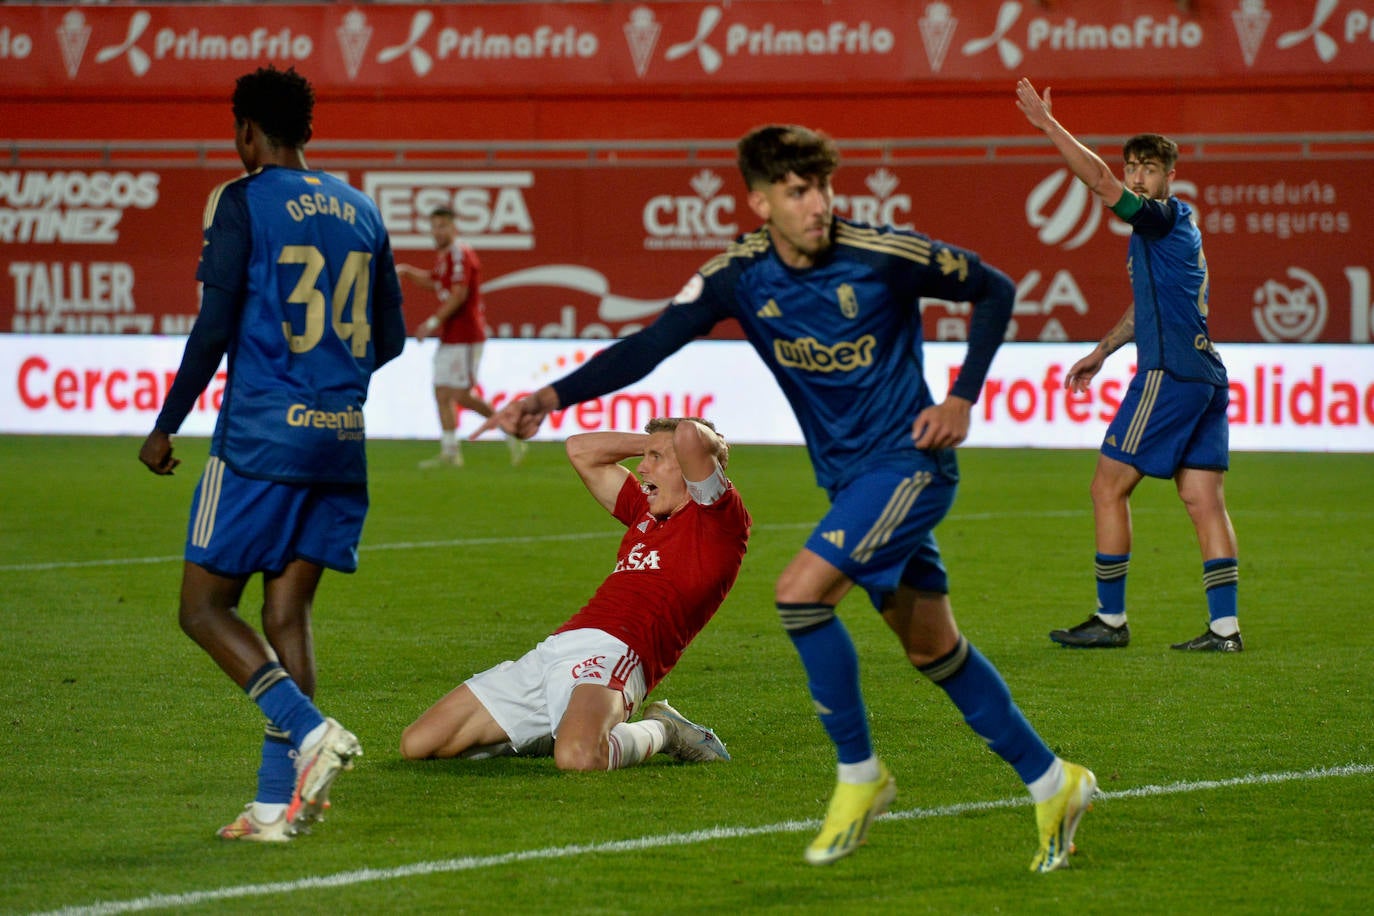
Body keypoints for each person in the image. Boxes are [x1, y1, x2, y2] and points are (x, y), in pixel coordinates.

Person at [476, 125, 1096, 871]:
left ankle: (860, 779)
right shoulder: (739, 276)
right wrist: (551, 394)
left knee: (800, 594)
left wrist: (963, 396)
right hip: (850, 485)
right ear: (759, 199)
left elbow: (994, 288)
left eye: (825, 188)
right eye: (799, 191)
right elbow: (651, 344)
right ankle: (1055, 782)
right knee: (935, 648)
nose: (818, 205)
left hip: (911, 466)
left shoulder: (881, 256)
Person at [137, 66, 407, 842]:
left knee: (202, 608)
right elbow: (389, 338)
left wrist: (166, 425)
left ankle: (310, 728)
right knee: (287, 612)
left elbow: (213, 325)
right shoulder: (361, 209)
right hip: (341, 442)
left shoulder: (240, 198)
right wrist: (332, 381)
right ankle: (272, 808)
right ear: (308, 132)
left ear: (247, 132)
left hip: (258, 438)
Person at [1015, 79, 1242, 653]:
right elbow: (1148, 306)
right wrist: (1102, 350)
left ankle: (1110, 620)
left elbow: (1098, 182)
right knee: (1202, 500)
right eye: (1132, 167)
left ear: (1169, 176)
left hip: (1169, 375)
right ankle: (1225, 630)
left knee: (1106, 487)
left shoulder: (1161, 218)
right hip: (1206, 374)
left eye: (1148, 168)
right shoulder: (1174, 231)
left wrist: (1048, 126)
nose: (1137, 177)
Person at [400, 417, 750, 771]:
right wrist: (655, 444)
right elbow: (579, 449)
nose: (642, 468)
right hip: (556, 648)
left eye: (656, 457)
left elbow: (691, 435)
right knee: (419, 744)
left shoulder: (717, 519)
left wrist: (697, 447)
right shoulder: (644, 510)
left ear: (693, 466)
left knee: (580, 758)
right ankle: (559, 729)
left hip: (618, 653)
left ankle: (666, 730)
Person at [397, 206, 526, 469]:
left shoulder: (460, 253)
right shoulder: (444, 257)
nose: (437, 231)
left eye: (442, 225)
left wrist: (431, 322)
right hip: (451, 335)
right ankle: (450, 452)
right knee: (442, 392)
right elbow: (435, 282)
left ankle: (511, 430)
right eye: (434, 226)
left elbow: (459, 295)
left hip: (466, 334)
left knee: (460, 394)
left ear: (454, 228)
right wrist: (409, 272)